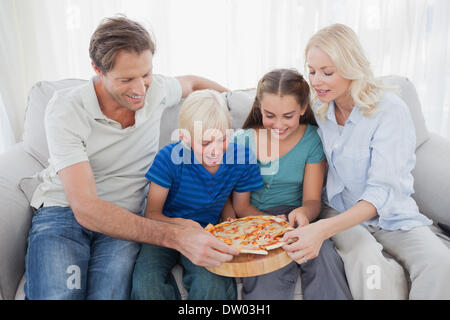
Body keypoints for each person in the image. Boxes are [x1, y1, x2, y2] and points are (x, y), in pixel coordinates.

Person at [24, 16, 239, 300]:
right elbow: (86, 208)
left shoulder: (158, 90)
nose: (140, 89)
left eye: (146, 74)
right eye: (126, 79)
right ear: (97, 71)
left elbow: (194, 82)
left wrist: (243, 108)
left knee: (109, 295)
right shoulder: (66, 108)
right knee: (59, 294)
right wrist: (174, 236)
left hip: (124, 222)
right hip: (63, 214)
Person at [282, 23, 450, 299]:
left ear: (351, 68)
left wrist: (320, 230)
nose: (316, 81)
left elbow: (382, 192)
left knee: (441, 263)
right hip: (340, 212)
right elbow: (273, 113)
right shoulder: (320, 107)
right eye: (311, 71)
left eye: (327, 72)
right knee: (369, 264)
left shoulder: (389, 111)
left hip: (392, 213)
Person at [131, 89, 266, 300]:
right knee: (146, 284)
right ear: (185, 138)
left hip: (207, 232)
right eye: (204, 143)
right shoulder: (168, 158)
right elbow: (152, 215)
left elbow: (240, 208)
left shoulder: (241, 157)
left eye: (222, 139)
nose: (215, 150)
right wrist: (184, 225)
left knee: (211, 284)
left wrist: (268, 222)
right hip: (163, 231)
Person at [233, 68, 352, 300]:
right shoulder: (243, 141)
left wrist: (303, 213)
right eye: (270, 115)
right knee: (265, 273)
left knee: (324, 257)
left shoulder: (312, 140)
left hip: (300, 221)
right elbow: (241, 207)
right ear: (259, 108)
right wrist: (270, 225)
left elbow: (312, 200)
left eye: (288, 116)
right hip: (257, 221)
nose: (279, 124)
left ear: (303, 109)